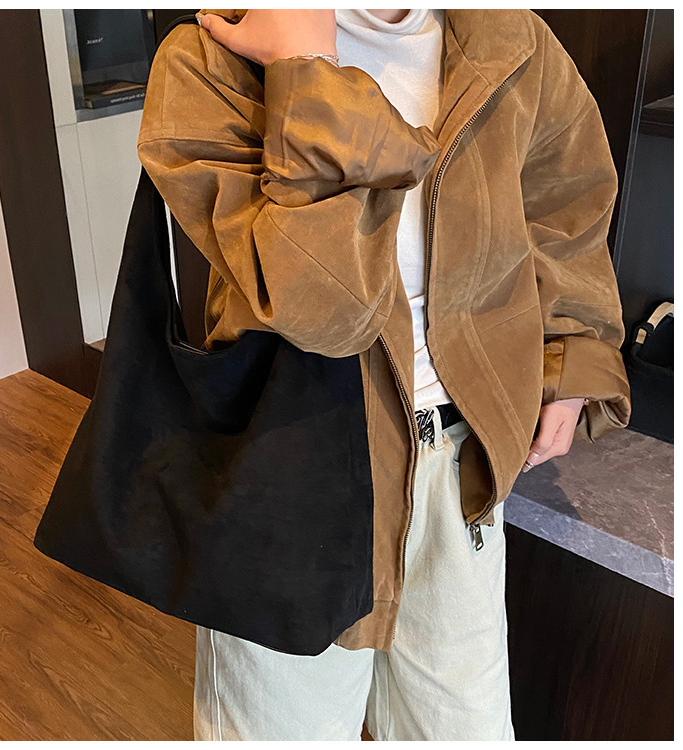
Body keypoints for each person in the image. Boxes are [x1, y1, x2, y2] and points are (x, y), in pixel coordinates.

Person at [136, 8, 631, 741]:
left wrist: (572, 354)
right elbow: (322, 308)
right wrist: (308, 72)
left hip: (461, 464)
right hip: (295, 468)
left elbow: (564, 205)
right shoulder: (210, 60)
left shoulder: (509, 37)